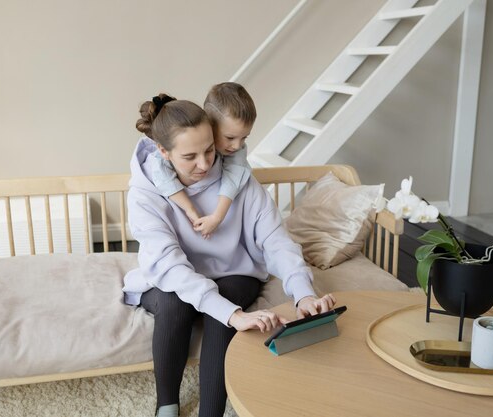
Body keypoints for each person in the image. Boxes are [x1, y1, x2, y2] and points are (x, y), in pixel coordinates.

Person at [122, 96, 335, 417]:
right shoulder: (144, 192)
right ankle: (166, 405)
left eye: (210, 150)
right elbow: (167, 265)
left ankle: (211, 412)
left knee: (228, 297)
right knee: (172, 302)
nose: (205, 165)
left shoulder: (239, 180)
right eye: (190, 156)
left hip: (233, 271)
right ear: (163, 153)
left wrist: (303, 294)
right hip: (174, 275)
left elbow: (275, 241)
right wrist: (234, 316)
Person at [149, 82, 255, 239]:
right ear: (210, 127)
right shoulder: (166, 154)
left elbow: (233, 178)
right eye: (230, 137)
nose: (238, 145)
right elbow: (160, 171)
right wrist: (190, 209)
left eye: (244, 138)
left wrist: (217, 217)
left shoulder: (236, 152)